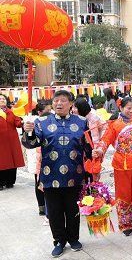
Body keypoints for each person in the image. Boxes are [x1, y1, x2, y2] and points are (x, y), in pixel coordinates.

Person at [22, 90, 91, 257]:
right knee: (54, 212)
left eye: (63, 100)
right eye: (56, 100)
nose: (59, 103)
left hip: (75, 175)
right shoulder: (41, 122)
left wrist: (94, 155)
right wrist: (29, 131)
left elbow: (89, 146)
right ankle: (59, 241)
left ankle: (74, 238)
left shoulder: (81, 122)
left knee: (73, 210)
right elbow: (31, 144)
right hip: (50, 175)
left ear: (71, 104)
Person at [92, 97, 132, 236]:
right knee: (123, 193)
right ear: (121, 108)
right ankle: (125, 224)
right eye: (128, 108)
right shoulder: (114, 125)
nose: (131, 110)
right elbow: (105, 140)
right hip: (121, 164)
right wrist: (100, 150)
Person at [72, 97, 107, 183]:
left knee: (92, 170)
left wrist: (98, 147)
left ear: (81, 108)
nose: (73, 109)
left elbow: (100, 132)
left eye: (75, 107)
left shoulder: (93, 118)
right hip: (82, 146)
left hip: (92, 147)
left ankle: (92, 190)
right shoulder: (76, 118)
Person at [25, 101, 52, 215]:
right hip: (36, 157)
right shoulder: (33, 122)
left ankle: (48, 207)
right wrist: (29, 131)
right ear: (40, 112)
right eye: (48, 110)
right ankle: (42, 207)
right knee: (38, 182)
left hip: (48, 158)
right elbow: (29, 141)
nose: (50, 112)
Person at [0, 94, 24, 190]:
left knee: (12, 162)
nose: (2, 100)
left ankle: (10, 182)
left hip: (12, 141)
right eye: (0, 99)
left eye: (3, 99)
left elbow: (17, 123)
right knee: (2, 162)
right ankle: (1, 183)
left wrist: (22, 122)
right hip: (1, 142)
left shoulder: (12, 112)